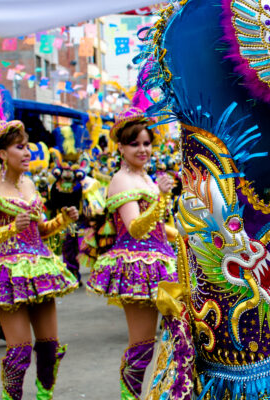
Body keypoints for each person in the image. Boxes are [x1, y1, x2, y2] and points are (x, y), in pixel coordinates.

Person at [0, 120, 79, 399]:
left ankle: (44, 396)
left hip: (39, 270)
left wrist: (63, 220)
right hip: (6, 274)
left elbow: (40, 229)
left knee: (50, 346)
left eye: (27, 147)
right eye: (20, 147)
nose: (28, 153)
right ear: (2, 154)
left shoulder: (28, 183)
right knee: (19, 351)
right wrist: (12, 228)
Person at [86, 108, 177, 400]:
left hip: (161, 260)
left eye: (147, 143)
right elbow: (136, 228)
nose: (143, 149)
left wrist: (187, 234)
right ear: (121, 147)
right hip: (137, 266)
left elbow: (159, 227)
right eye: (135, 144)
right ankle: (129, 397)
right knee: (142, 345)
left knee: (174, 336)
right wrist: (162, 197)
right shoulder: (121, 180)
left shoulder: (146, 178)